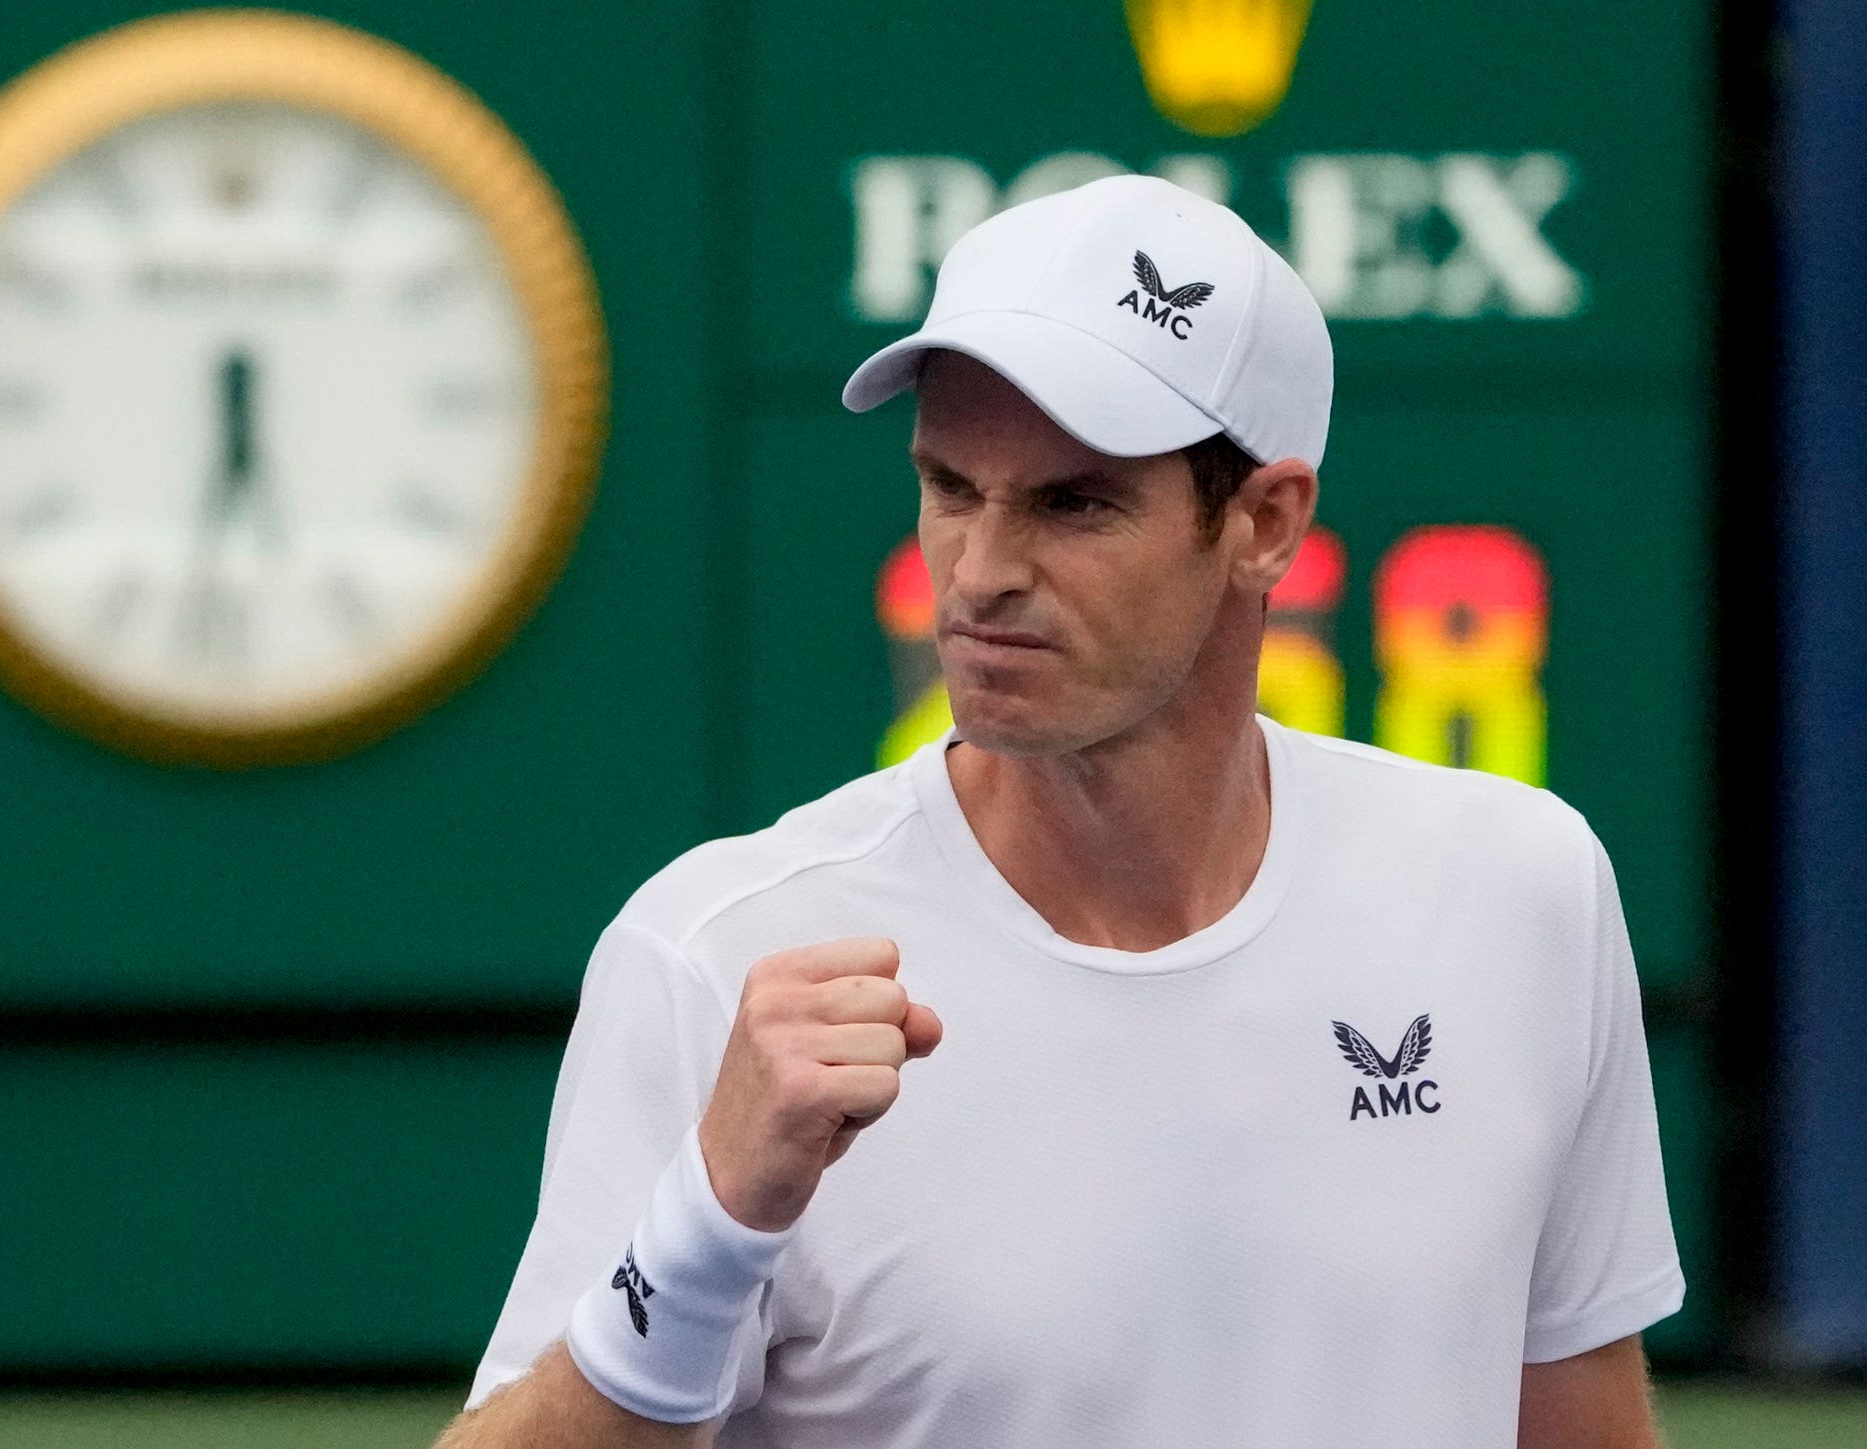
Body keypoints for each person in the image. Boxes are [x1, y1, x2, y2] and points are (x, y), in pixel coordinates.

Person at [437, 174, 1683, 1448]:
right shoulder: (713, 953)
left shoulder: (1523, 892)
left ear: (1264, 524)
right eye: (950, 487)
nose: (978, 574)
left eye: (1072, 503)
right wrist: (705, 1228)